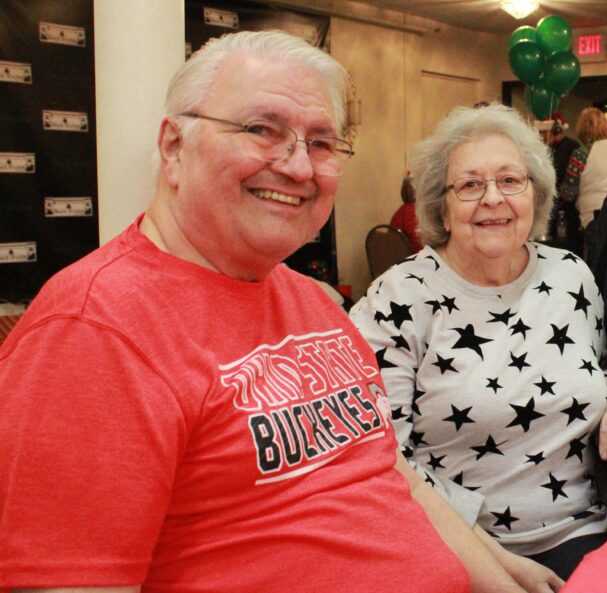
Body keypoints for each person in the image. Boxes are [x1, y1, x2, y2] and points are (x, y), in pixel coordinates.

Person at [0, 31, 531, 593]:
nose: (300, 167)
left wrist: (502, 577)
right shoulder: (92, 330)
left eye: (322, 143)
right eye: (261, 130)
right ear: (174, 146)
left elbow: (393, 480)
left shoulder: (311, 300)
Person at [350, 103, 607, 582]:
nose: (493, 199)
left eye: (510, 180)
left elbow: (599, 361)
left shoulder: (569, 276)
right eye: (469, 185)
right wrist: (496, 568)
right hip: (453, 543)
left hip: (584, 531)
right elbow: (382, 458)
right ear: (440, 204)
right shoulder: (401, 296)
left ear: (536, 194)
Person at [559, 107, 607, 231]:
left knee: (596, 250)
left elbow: (568, 193)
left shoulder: (582, 154)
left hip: (594, 217)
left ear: (582, 128)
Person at [537, 112, 581, 254]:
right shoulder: (552, 148)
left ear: (556, 130)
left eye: (544, 132)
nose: (541, 137)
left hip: (568, 207)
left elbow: (556, 174)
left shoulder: (570, 147)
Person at [391, 174, 423, 251]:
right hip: (408, 257)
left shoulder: (402, 210)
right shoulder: (411, 211)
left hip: (396, 256)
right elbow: (416, 242)